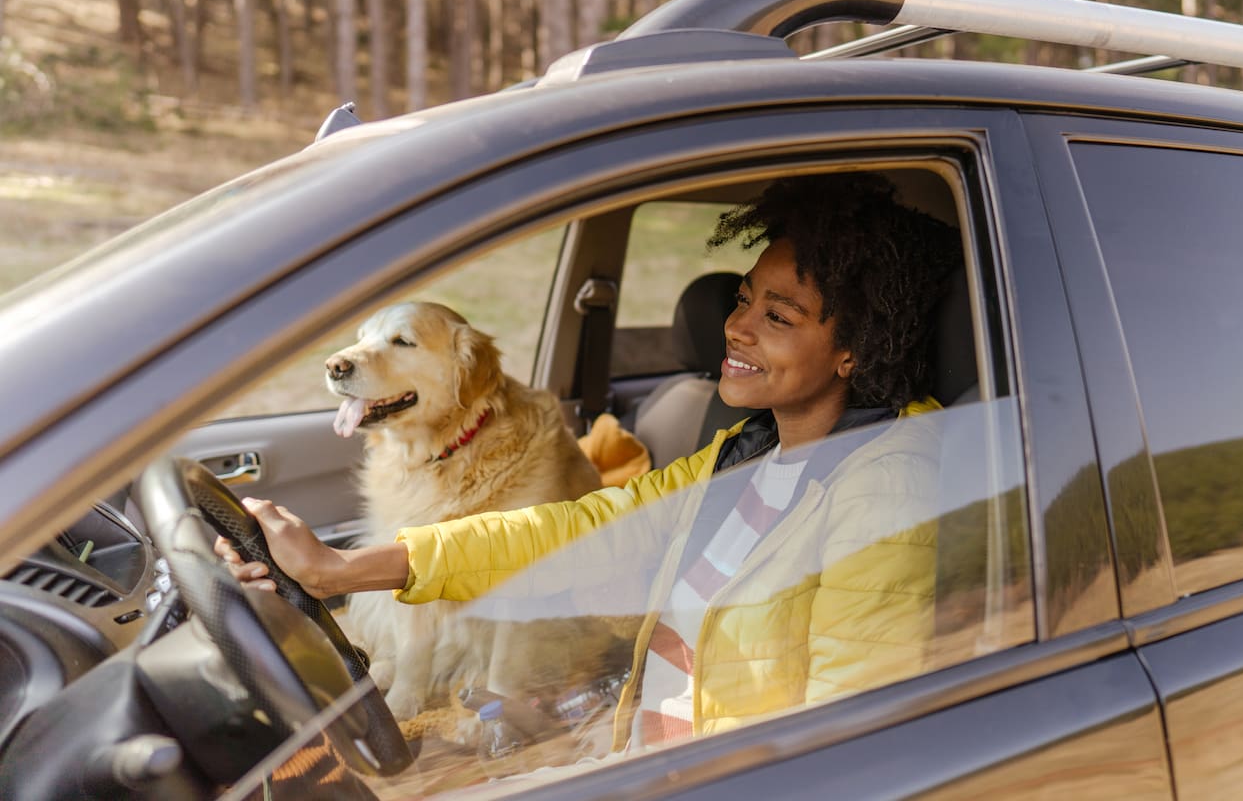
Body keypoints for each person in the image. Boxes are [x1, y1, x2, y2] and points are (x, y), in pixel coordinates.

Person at [220, 172, 963, 754]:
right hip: (639, 745)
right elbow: (573, 530)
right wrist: (341, 570)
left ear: (856, 350)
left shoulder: (886, 492)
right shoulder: (748, 452)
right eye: (743, 298)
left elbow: (852, 742)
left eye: (778, 316)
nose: (734, 326)